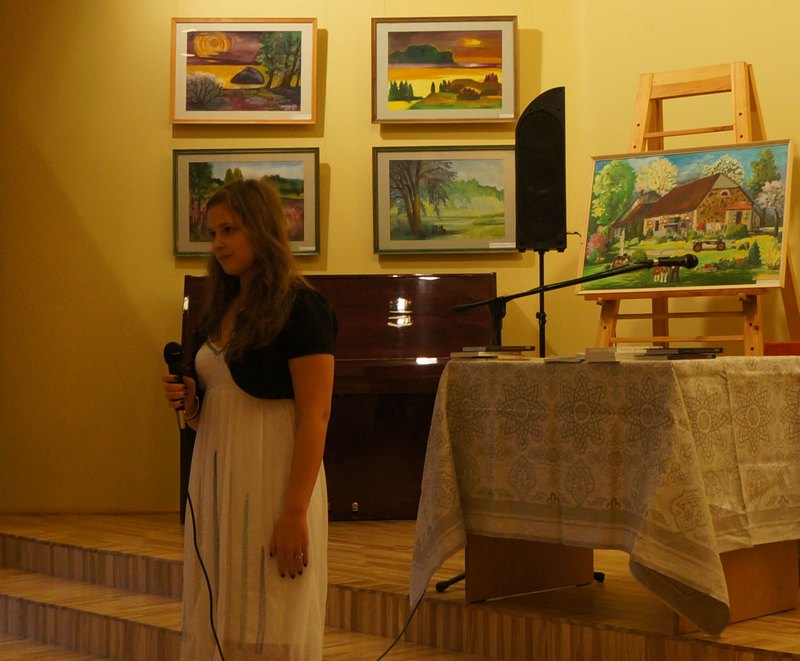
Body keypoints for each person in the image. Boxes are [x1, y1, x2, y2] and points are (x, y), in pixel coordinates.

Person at [162, 178, 337, 660]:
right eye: (212, 233)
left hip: (273, 476)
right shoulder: (216, 309)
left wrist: (293, 513)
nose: (217, 244)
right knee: (224, 596)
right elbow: (217, 405)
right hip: (218, 477)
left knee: (274, 605)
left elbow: (316, 415)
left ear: (261, 230)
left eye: (229, 230)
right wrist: (191, 403)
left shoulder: (303, 307)